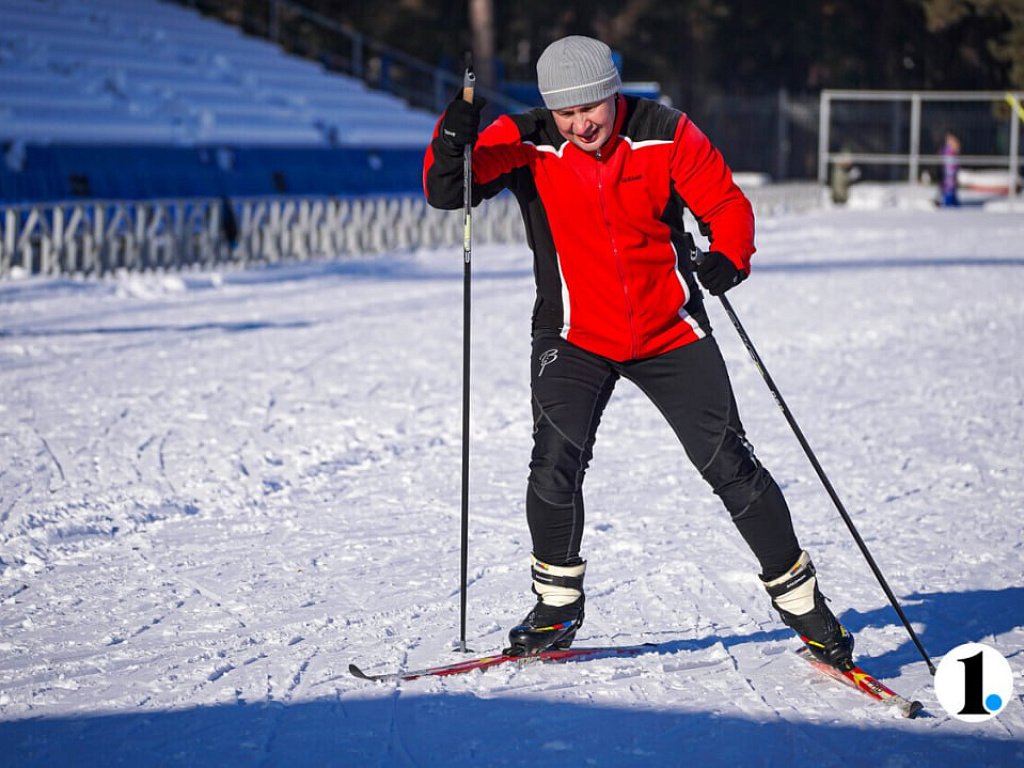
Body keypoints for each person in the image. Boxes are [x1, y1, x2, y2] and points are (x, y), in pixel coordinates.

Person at [423, 35, 855, 670]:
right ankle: (556, 609)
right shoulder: (527, 138)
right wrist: (452, 135)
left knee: (728, 463)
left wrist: (729, 256)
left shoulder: (665, 132)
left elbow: (725, 204)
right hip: (574, 334)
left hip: (669, 329)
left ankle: (806, 610)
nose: (581, 124)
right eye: (567, 114)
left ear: (613, 91)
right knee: (554, 462)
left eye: (591, 107)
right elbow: (445, 188)